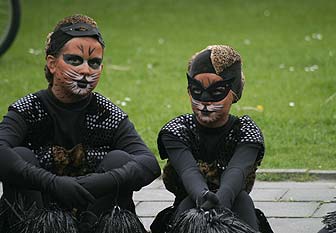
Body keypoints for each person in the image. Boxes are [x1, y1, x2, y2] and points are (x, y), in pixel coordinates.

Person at [0, 14, 160, 232]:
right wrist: (51, 183)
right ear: (52, 63)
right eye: (75, 60)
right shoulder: (29, 109)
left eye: (94, 63)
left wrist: (102, 181)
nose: (86, 70)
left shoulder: (107, 113)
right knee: (19, 155)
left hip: (93, 214)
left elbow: (148, 163)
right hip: (38, 214)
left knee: (120, 159)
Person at [151, 45, 269, 232]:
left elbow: (237, 171)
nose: (205, 100)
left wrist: (222, 200)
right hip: (189, 206)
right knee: (190, 204)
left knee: (242, 200)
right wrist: (203, 197)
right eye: (197, 91)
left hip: (235, 205)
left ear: (234, 93)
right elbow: (188, 171)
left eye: (216, 92)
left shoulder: (246, 131)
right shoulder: (177, 130)